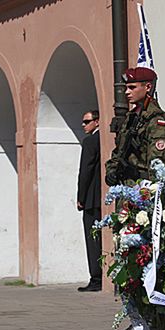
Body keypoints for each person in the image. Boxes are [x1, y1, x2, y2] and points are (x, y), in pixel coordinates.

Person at [106, 67, 165, 330]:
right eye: (126, 87)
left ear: (148, 87)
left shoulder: (157, 123)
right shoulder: (131, 119)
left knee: (148, 261)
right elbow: (118, 151)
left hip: (146, 199)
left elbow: (158, 166)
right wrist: (112, 169)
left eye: (132, 87)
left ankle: (156, 320)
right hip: (128, 197)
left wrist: (143, 195)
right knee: (127, 261)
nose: (126, 91)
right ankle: (137, 320)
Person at [77, 110, 102, 292]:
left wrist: (81, 197)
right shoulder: (106, 139)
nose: (84, 125)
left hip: (92, 198)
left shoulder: (90, 141)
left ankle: (96, 278)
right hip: (103, 196)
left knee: (93, 239)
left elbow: (85, 171)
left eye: (87, 121)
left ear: (97, 121)